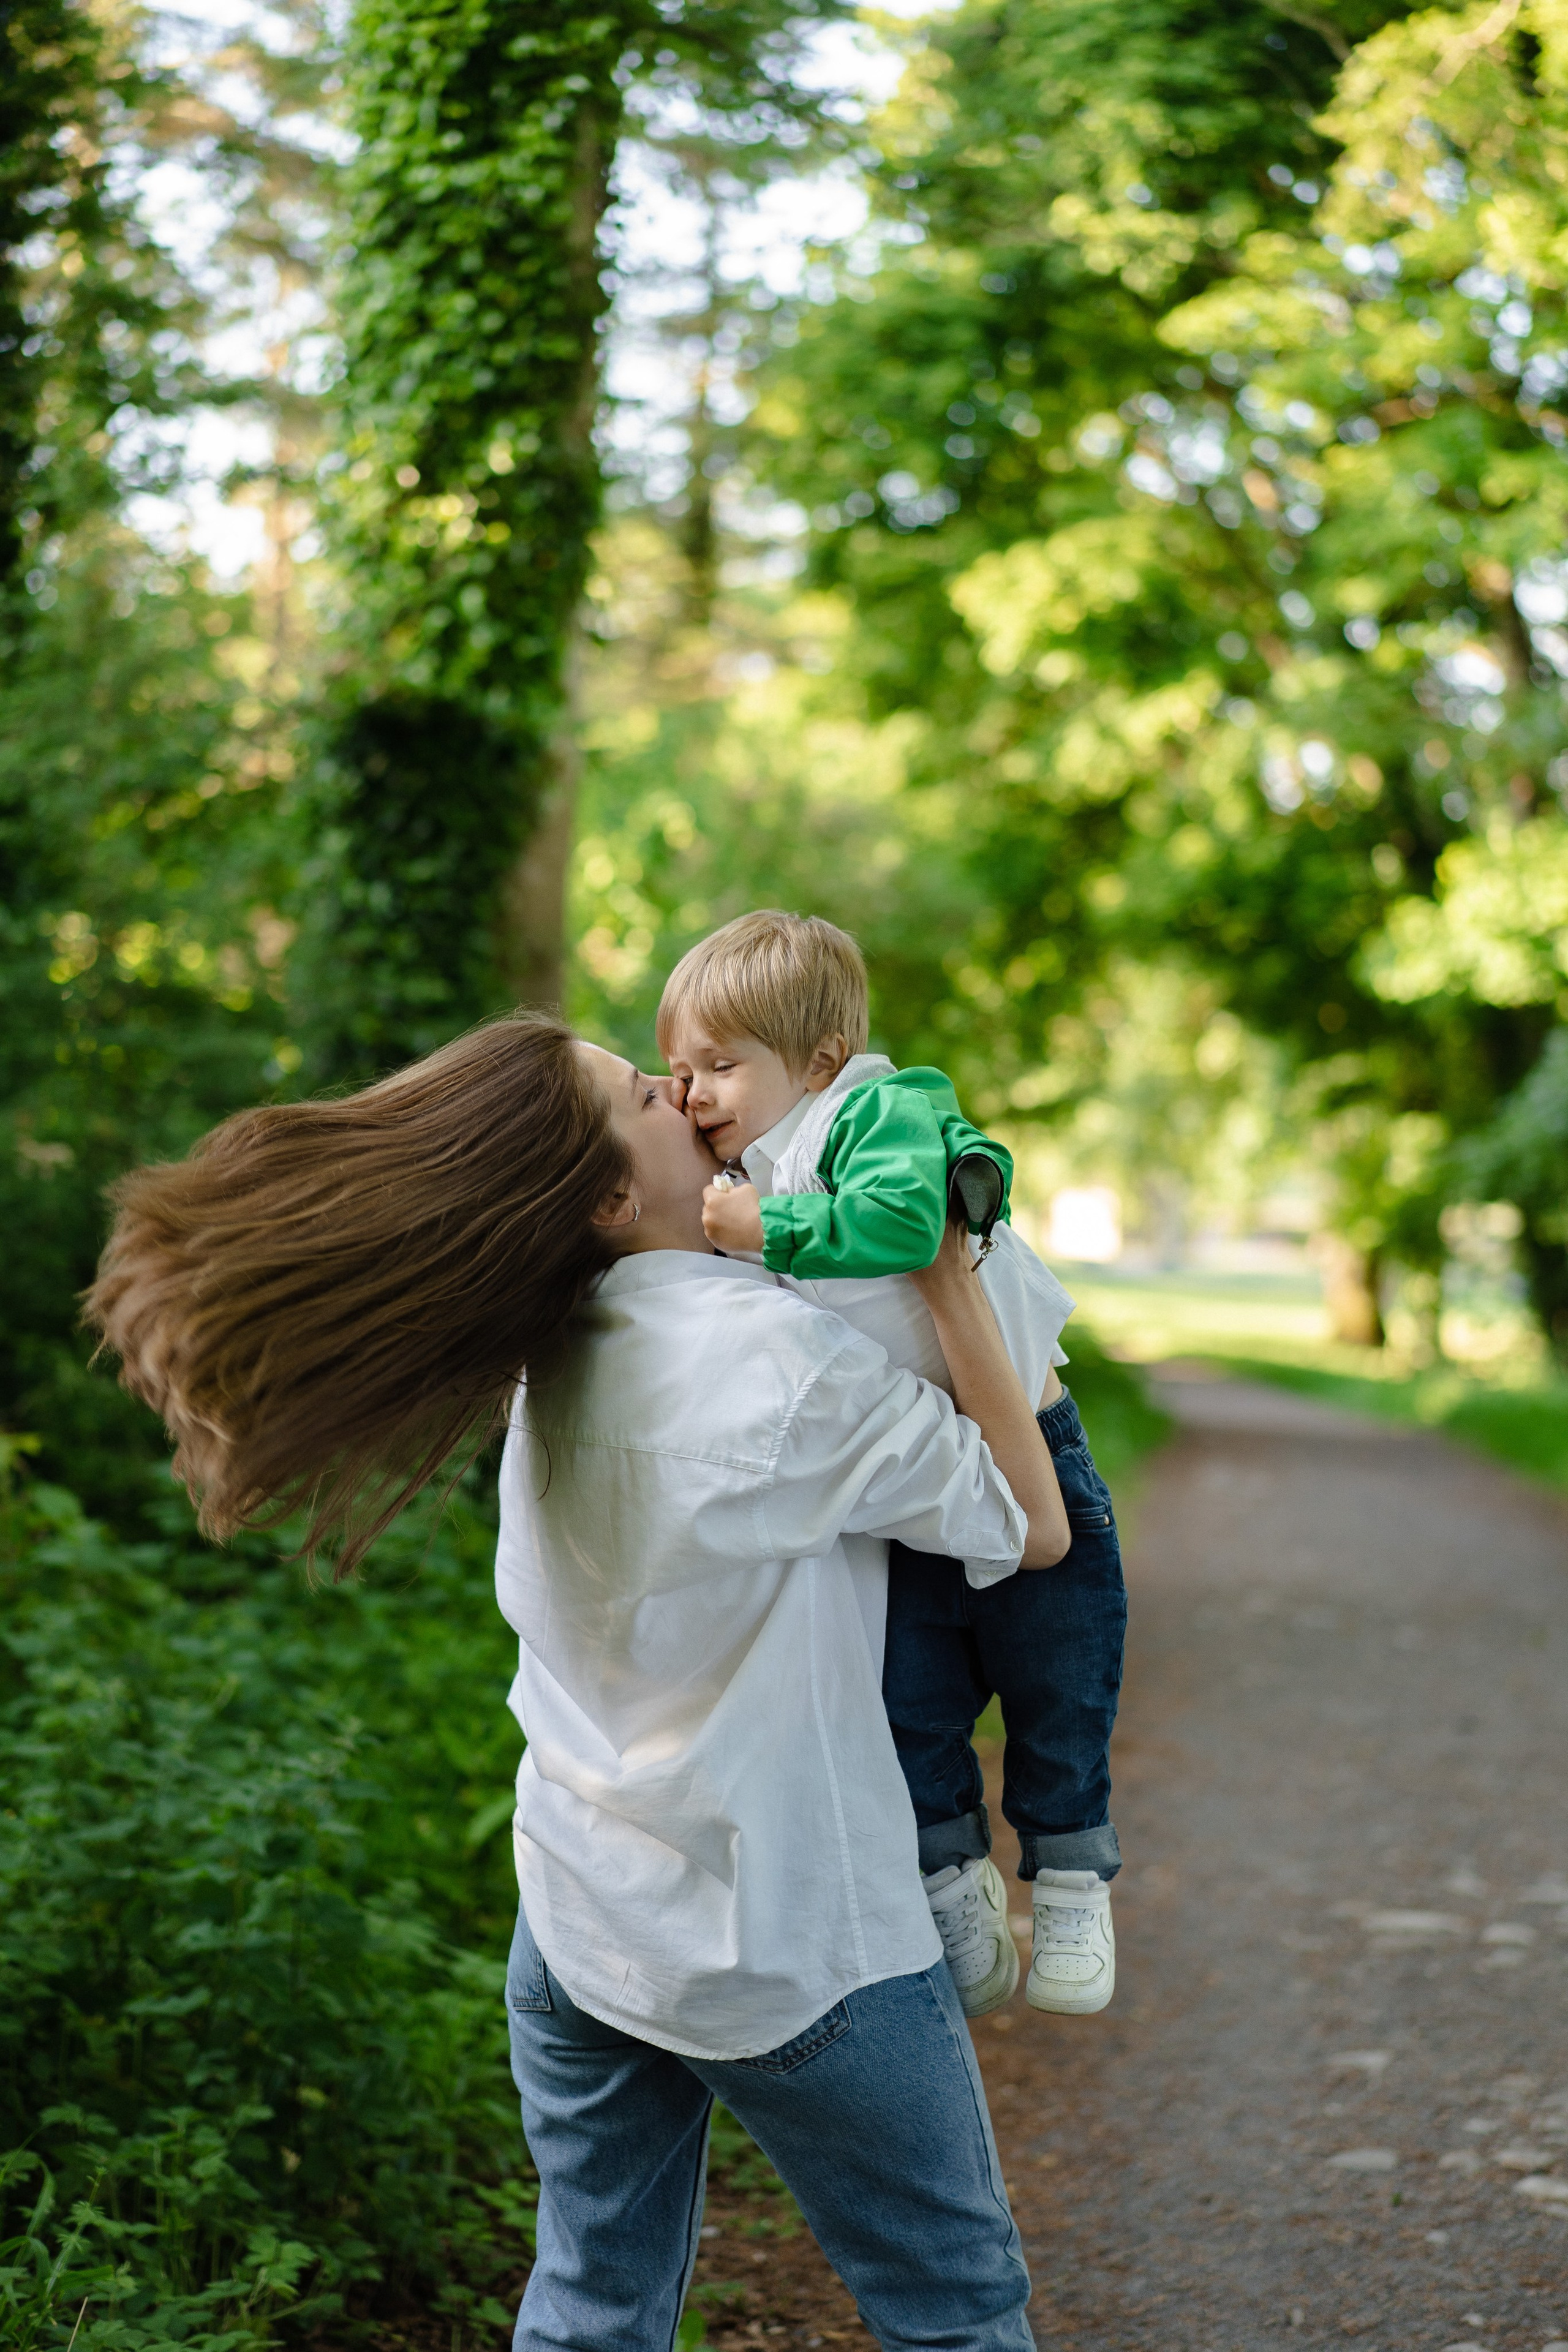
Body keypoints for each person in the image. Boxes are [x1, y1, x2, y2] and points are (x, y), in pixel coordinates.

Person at [84, 1014, 1067, 2352]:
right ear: (608, 1196)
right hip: (789, 1947)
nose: (678, 1089)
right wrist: (944, 1266)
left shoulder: (561, 1344)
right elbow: (1031, 1522)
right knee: (953, 2308)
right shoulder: (777, 1375)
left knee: (591, 2309)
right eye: (641, 1093)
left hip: (578, 1921)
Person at [661, 910, 1127, 2018]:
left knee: (1057, 1674)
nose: (695, 1095)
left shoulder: (880, 1109)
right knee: (908, 1695)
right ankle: (951, 1877)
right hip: (915, 1464)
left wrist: (762, 1229)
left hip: (1029, 1441)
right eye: (680, 1071)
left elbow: (907, 1225)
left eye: (723, 1066)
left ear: (819, 1061)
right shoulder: (756, 1159)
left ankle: (1069, 1879)